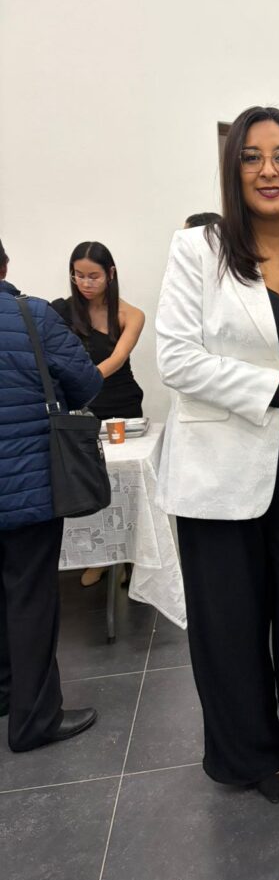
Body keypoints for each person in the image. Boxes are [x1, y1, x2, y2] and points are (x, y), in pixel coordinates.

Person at [155, 105, 279, 804]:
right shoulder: (199, 251)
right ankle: (250, 757)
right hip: (219, 472)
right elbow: (175, 359)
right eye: (251, 157)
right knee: (230, 628)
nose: (268, 170)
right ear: (232, 168)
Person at [0, 286, 103, 749]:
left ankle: (5, 692)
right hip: (26, 480)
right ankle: (34, 720)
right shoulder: (32, 315)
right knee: (31, 597)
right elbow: (87, 382)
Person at [52, 242, 146, 586]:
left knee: (125, 487)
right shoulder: (60, 311)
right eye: (78, 275)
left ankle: (132, 560)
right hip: (80, 408)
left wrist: (85, 379)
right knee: (86, 482)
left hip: (121, 404)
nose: (85, 283)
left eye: (93, 276)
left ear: (111, 274)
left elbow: (117, 359)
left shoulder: (130, 315)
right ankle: (99, 557)